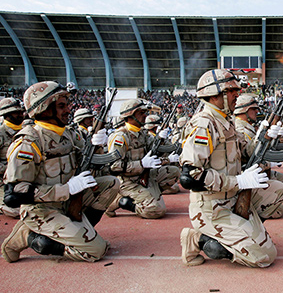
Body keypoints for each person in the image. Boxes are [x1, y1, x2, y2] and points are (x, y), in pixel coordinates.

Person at [1, 81, 119, 263]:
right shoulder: (29, 142)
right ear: (44, 109)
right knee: (96, 251)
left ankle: (80, 230)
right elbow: (15, 193)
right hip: (41, 209)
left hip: (66, 202)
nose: (68, 110)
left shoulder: (69, 135)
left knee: (111, 183)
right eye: (61, 106)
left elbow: (93, 166)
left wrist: (97, 146)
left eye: (67, 105)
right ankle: (28, 237)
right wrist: (66, 190)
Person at [179, 69, 280, 268]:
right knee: (265, 256)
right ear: (215, 95)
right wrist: (238, 181)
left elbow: (246, 152)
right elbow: (189, 177)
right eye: (231, 90)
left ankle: (242, 234)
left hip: (232, 198)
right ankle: (197, 239)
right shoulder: (204, 124)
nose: (237, 94)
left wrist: (266, 137)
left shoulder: (226, 121)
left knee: (276, 191)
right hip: (211, 208)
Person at [106, 99, 171, 218]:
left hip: (143, 176)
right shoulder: (120, 137)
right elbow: (114, 166)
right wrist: (141, 164)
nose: (145, 116)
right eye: (141, 113)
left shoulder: (142, 134)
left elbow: (155, 151)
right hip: (127, 182)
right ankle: (121, 201)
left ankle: (148, 196)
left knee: (173, 172)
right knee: (157, 211)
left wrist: (161, 139)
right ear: (130, 115)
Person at [234, 93, 283, 218]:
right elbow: (247, 155)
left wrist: (276, 137)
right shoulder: (240, 129)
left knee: (281, 181)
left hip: (254, 171)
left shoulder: (248, 127)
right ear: (244, 110)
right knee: (278, 211)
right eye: (253, 109)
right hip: (246, 175)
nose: (257, 111)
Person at [0, 98, 25, 218]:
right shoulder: (1, 133)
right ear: (7, 114)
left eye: (21, 112)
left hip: (24, 179)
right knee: (17, 211)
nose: (21, 114)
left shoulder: (27, 131)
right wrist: (12, 167)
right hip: (5, 182)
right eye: (17, 112)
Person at [144, 114, 181, 195]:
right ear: (154, 127)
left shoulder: (157, 137)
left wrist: (162, 139)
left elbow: (171, 147)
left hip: (159, 166)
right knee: (174, 188)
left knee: (175, 186)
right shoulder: (148, 138)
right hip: (150, 169)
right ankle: (154, 190)